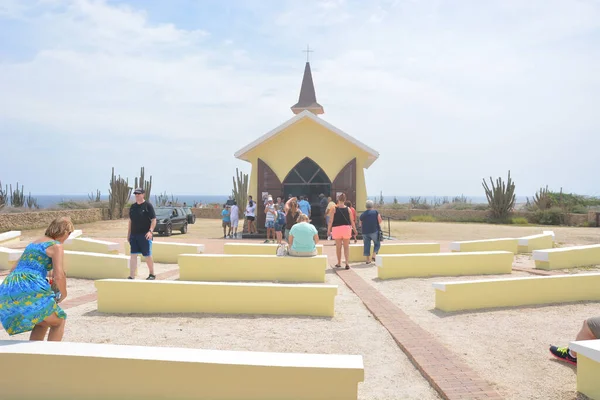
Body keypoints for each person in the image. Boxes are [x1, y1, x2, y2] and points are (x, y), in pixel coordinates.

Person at [0, 217, 73, 341]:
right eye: (69, 234)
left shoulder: (33, 244)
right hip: (29, 285)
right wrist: (64, 293)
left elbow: (13, 269)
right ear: (65, 232)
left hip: (8, 287)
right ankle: (51, 358)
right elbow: (59, 275)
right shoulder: (56, 246)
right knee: (59, 320)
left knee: (42, 322)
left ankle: (35, 356)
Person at [128, 188, 157, 280]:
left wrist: (150, 231)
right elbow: (130, 221)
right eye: (135, 194)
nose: (137, 195)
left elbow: (153, 220)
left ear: (143, 195)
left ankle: (152, 274)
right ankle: (132, 276)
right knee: (133, 255)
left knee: (147, 255)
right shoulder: (133, 207)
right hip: (134, 235)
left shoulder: (148, 206)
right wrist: (128, 234)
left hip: (145, 235)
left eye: (139, 194)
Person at [327, 193, 357, 269]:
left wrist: (328, 230)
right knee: (346, 247)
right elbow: (352, 221)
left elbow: (331, 220)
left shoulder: (334, 208)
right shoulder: (348, 209)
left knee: (338, 247)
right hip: (346, 228)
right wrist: (355, 229)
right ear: (345, 200)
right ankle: (347, 263)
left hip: (336, 229)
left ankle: (339, 262)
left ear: (338, 199)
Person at [359, 200, 383, 264]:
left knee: (366, 245)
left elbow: (360, 224)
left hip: (365, 232)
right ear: (372, 206)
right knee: (377, 243)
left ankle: (368, 260)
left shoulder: (363, 214)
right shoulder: (375, 212)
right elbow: (380, 220)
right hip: (374, 231)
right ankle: (374, 255)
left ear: (366, 206)